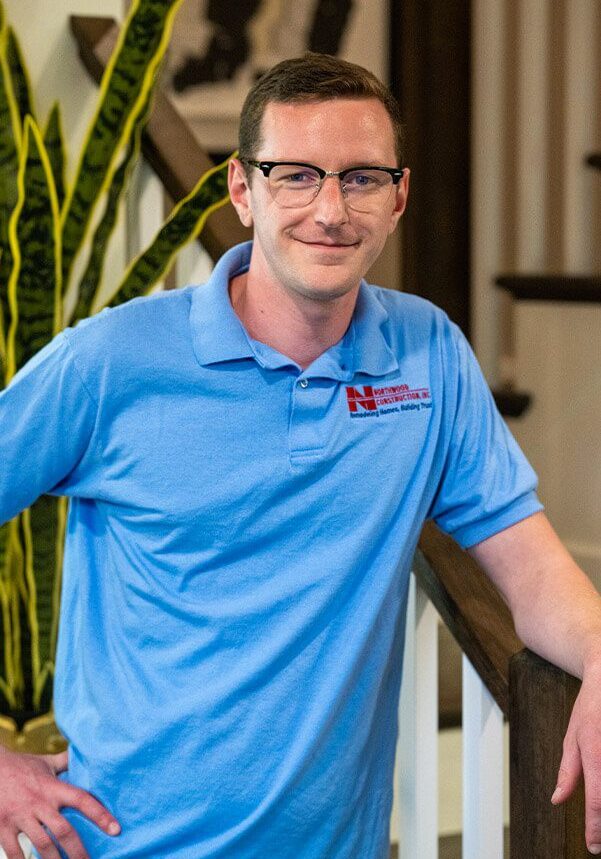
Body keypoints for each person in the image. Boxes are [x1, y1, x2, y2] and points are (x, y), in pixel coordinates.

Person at [1, 52, 600, 859]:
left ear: (398, 197)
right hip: (123, 845)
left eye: (360, 178)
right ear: (242, 191)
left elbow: (528, 567)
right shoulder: (111, 362)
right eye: (295, 175)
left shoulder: (429, 355)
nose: (330, 209)